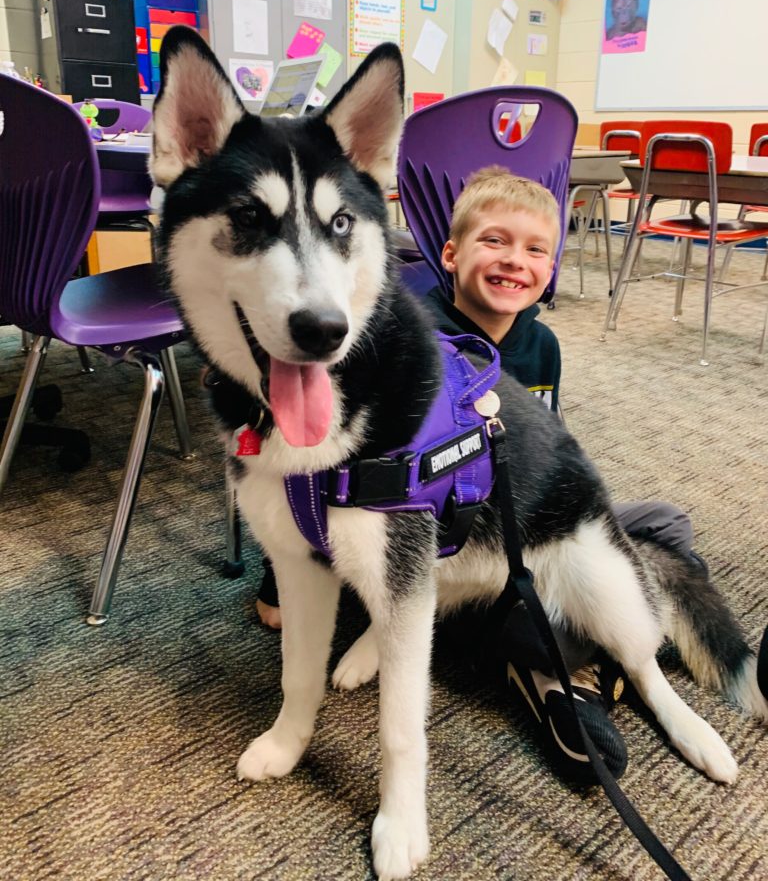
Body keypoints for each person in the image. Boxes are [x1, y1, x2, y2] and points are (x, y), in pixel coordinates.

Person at [254, 166, 706, 784]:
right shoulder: (408, 340)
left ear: (550, 269)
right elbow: (322, 480)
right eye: (494, 241)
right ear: (451, 253)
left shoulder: (541, 346)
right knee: (539, 623)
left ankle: (641, 662)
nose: (514, 260)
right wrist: (286, 573)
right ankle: (556, 680)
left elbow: (548, 465)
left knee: (658, 524)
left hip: (508, 530)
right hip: (429, 555)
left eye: (535, 249)